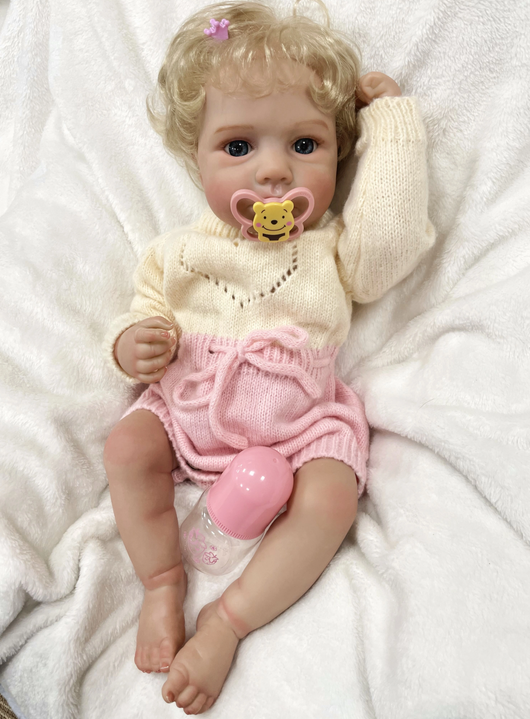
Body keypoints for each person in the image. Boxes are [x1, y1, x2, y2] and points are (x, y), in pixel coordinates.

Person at [103, 0, 435, 713]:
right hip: (190, 409)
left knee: (333, 497)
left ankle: (228, 620)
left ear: (338, 154)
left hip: (299, 424)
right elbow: (145, 308)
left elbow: (390, 241)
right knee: (127, 446)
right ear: (195, 156)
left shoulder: (330, 249)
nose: (276, 171)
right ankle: (161, 582)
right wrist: (133, 344)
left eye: (305, 145)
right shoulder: (178, 252)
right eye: (238, 148)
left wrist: (390, 125)